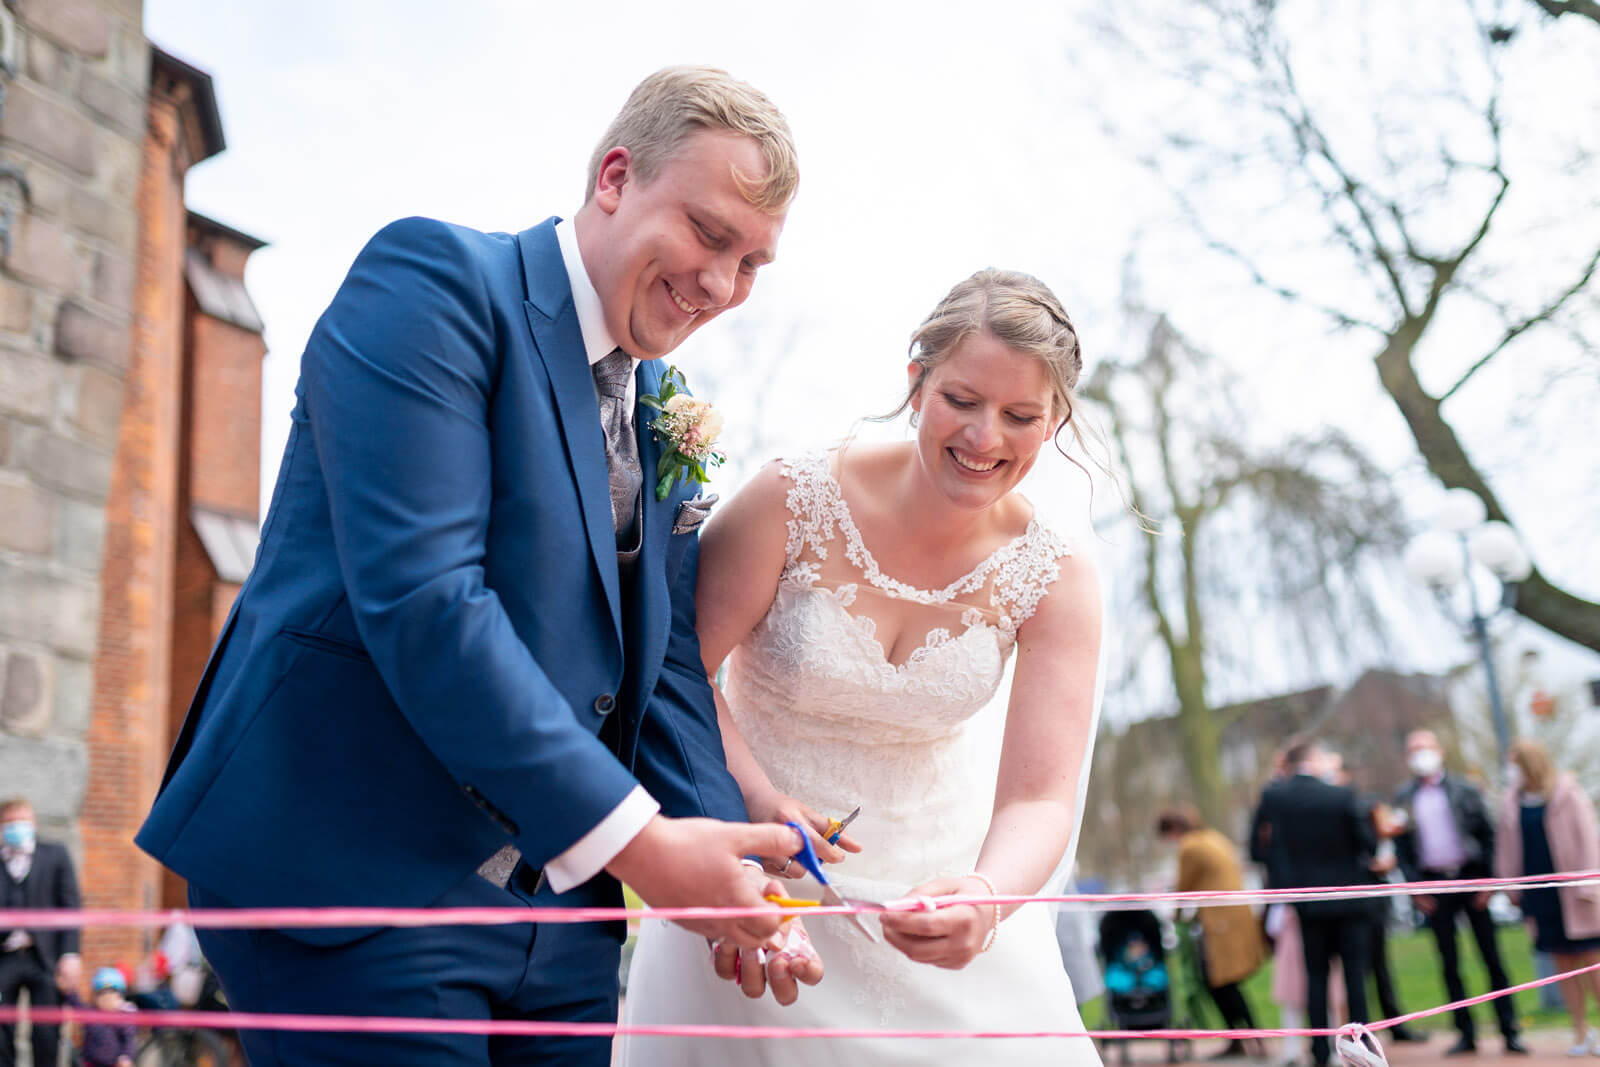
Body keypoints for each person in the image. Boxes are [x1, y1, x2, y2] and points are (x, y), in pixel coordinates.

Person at [135, 66, 812, 1066]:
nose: (722, 284)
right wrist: (644, 846)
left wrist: (732, 875)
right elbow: (428, 601)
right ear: (616, 177)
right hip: (355, 878)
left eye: (753, 260)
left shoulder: (667, 406)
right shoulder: (435, 284)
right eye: (710, 234)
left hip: (564, 918)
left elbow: (659, 670)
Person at [620, 268, 1105, 1065]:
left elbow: (1042, 796)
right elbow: (679, 678)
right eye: (962, 399)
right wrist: (758, 799)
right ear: (917, 383)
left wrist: (987, 898)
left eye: (1021, 415)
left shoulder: (1056, 576)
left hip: (935, 891)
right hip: (754, 874)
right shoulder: (793, 498)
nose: (984, 436)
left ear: (1054, 421)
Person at [1394, 729, 1526, 1056]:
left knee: (1491, 958)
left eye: (1425, 747)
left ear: (1439, 749)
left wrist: (1488, 880)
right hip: (1433, 885)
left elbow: (1488, 834)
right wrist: (1414, 890)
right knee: (1448, 963)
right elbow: (1402, 848)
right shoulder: (1403, 798)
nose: (1420, 754)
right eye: (1413, 749)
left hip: (1471, 880)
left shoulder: (1464, 789)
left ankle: (1509, 1030)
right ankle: (1466, 1033)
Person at [1251, 741, 1376, 1067]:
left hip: (1307, 903)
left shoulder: (1276, 796)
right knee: (1353, 977)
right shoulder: (1343, 795)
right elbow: (1367, 843)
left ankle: (1320, 1052)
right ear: (1315, 760)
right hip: (1349, 900)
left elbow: (1258, 848)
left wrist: (1286, 880)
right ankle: (1361, 1049)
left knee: (1316, 978)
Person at [1495, 739, 1600, 1056]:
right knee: (1563, 965)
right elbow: (1507, 846)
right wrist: (1511, 886)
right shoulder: (1512, 800)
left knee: (1592, 966)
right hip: (1542, 896)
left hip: (1576, 895)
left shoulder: (1568, 793)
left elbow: (1588, 838)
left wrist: (1589, 885)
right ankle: (1580, 1032)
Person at [1156, 807, 1266, 1059]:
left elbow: (1184, 887)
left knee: (1219, 982)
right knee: (1225, 983)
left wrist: (1174, 916)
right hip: (1233, 918)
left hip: (1221, 924)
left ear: (1173, 831)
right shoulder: (1213, 838)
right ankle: (1246, 1036)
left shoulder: (1190, 847)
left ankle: (1249, 1036)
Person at [0, 795, 81, 1067]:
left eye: (22, 820)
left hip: (45, 957)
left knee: (46, 1032)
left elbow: (70, 906)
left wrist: (70, 954)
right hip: (4, 958)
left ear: (33, 822)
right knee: (1, 1030)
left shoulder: (55, 854)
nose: (16, 826)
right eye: (10, 821)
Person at [71, 967, 138, 1067]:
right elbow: (78, 1007)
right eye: (102, 995)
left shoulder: (122, 1017)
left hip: (114, 1064)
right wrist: (70, 992)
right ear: (95, 998)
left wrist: (126, 1057)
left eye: (111, 995)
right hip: (90, 1063)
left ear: (120, 998)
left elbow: (129, 1041)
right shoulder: (91, 1014)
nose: (107, 999)